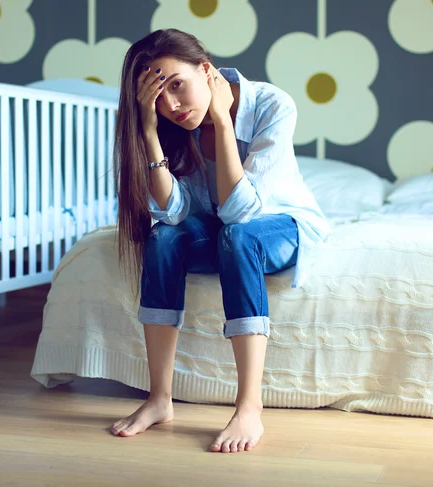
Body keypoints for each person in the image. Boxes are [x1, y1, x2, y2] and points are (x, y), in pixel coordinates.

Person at [111, 28, 329, 453]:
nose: (173, 105)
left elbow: (242, 212)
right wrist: (151, 132)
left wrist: (222, 121)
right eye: (158, 97)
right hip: (224, 227)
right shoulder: (173, 125)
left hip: (281, 224)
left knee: (238, 235)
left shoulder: (272, 105)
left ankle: (249, 406)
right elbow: (173, 211)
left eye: (177, 85)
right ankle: (159, 398)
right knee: (163, 238)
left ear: (206, 70)